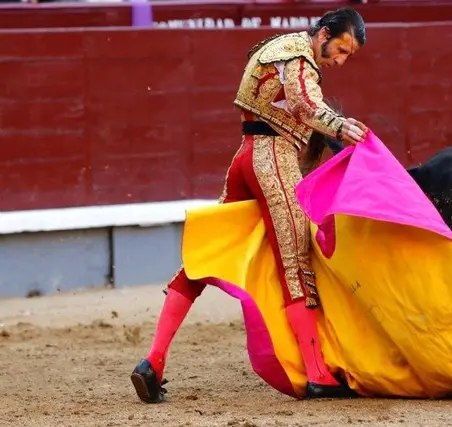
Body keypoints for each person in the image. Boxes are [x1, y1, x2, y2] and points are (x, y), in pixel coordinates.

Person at [130, 6, 369, 403]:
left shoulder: (276, 47)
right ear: (324, 34)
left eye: (348, 56)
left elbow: (292, 111)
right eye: (340, 50)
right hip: (272, 158)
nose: (340, 61)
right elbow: (305, 105)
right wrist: (342, 126)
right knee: (296, 261)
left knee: (207, 255)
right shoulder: (300, 56)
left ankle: (153, 361)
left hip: (245, 156)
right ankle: (317, 373)